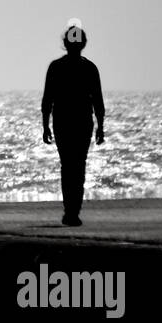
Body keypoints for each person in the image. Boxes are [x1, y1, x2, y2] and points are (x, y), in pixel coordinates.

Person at [41, 25, 105, 226]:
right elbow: (98, 102)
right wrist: (100, 127)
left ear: (65, 43)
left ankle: (70, 209)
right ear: (83, 44)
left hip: (63, 122)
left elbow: (47, 100)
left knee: (68, 166)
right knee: (78, 166)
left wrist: (45, 126)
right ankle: (73, 210)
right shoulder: (89, 68)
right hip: (81, 123)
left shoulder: (56, 67)